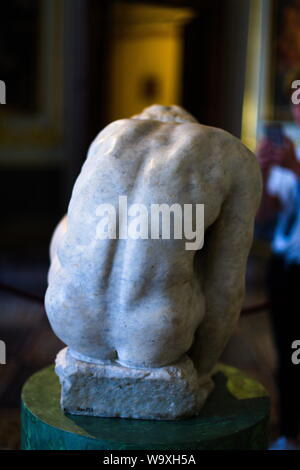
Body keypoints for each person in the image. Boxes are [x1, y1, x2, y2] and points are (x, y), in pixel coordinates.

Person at [257, 101, 300, 450]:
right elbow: (265, 217)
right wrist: (263, 172)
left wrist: (295, 169)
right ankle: (289, 432)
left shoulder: (294, 161)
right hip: (286, 268)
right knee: (287, 355)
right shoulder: (288, 157)